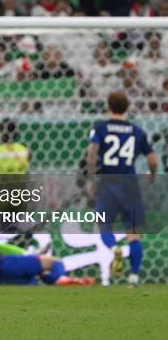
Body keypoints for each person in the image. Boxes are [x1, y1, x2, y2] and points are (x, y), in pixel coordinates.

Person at [85, 91, 158, 286]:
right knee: (133, 232)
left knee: (103, 225)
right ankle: (134, 276)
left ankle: (113, 248)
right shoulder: (137, 131)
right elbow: (152, 158)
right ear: (127, 108)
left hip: (108, 183)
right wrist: (152, 174)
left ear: (108, 107)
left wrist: (91, 179)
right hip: (129, 183)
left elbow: (91, 154)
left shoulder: (101, 128)